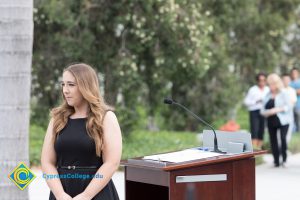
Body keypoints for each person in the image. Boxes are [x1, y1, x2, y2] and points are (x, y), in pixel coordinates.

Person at [41, 63, 122, 200]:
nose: (65, 90)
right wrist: (60, 194)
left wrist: (86, 196)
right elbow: (47, 162)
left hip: (97, 193)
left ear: (86, 86)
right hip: (62, 192)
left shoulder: (106, 117)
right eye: (63, 84)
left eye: (71, 85)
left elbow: (112, 162)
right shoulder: (57, 119)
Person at [261, 73, 292, 167]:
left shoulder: (284, 93)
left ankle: (284, 160)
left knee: (283, 139)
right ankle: (276, 161)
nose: (271, 86)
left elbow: (289, 106)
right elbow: (262, 110)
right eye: (269, 84)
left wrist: (278, 109)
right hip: (271, 120)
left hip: (283, 120)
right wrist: (268, 112)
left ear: (277, 84)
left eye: (273, 84)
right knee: (273, 140)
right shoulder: (267, 95)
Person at [244, 73, 269, 149]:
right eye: (260, 80)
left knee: (262, 130)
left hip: (264, 112)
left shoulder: (268, 89)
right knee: (254, 130)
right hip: (254, 111)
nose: (262, 82)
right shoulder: (253, 89)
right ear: (257, 81)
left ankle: (259, 149)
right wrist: (255, 101)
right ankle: (254, 148)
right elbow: (246, 101)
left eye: (264, 80)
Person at [282, 74, 297, 143]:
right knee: (280, 134)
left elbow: (293, 101)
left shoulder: (292, 90)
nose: (286, 81)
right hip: (280, 115)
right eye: (284, 80)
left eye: (288, 80)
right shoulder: (280, 90)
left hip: (289, 115)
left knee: (288, 133)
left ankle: (285, 148)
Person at [289, 67, 300, 132]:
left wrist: (292, 91)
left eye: (295, 73)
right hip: (291, 105)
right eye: (293, 73)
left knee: (298, 120)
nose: (294, 74)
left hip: (299, 105)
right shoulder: (289, 82)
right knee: (292, 120)